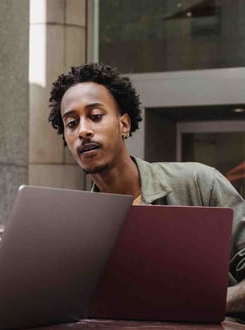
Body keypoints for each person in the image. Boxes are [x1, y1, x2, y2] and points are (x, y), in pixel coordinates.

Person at [47, 62, 245, 315]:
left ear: (124, 125)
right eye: (72, 123)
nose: (83, 130)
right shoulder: (78, 228)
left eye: (95, 116)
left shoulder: (199, 183)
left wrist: (212, 302)